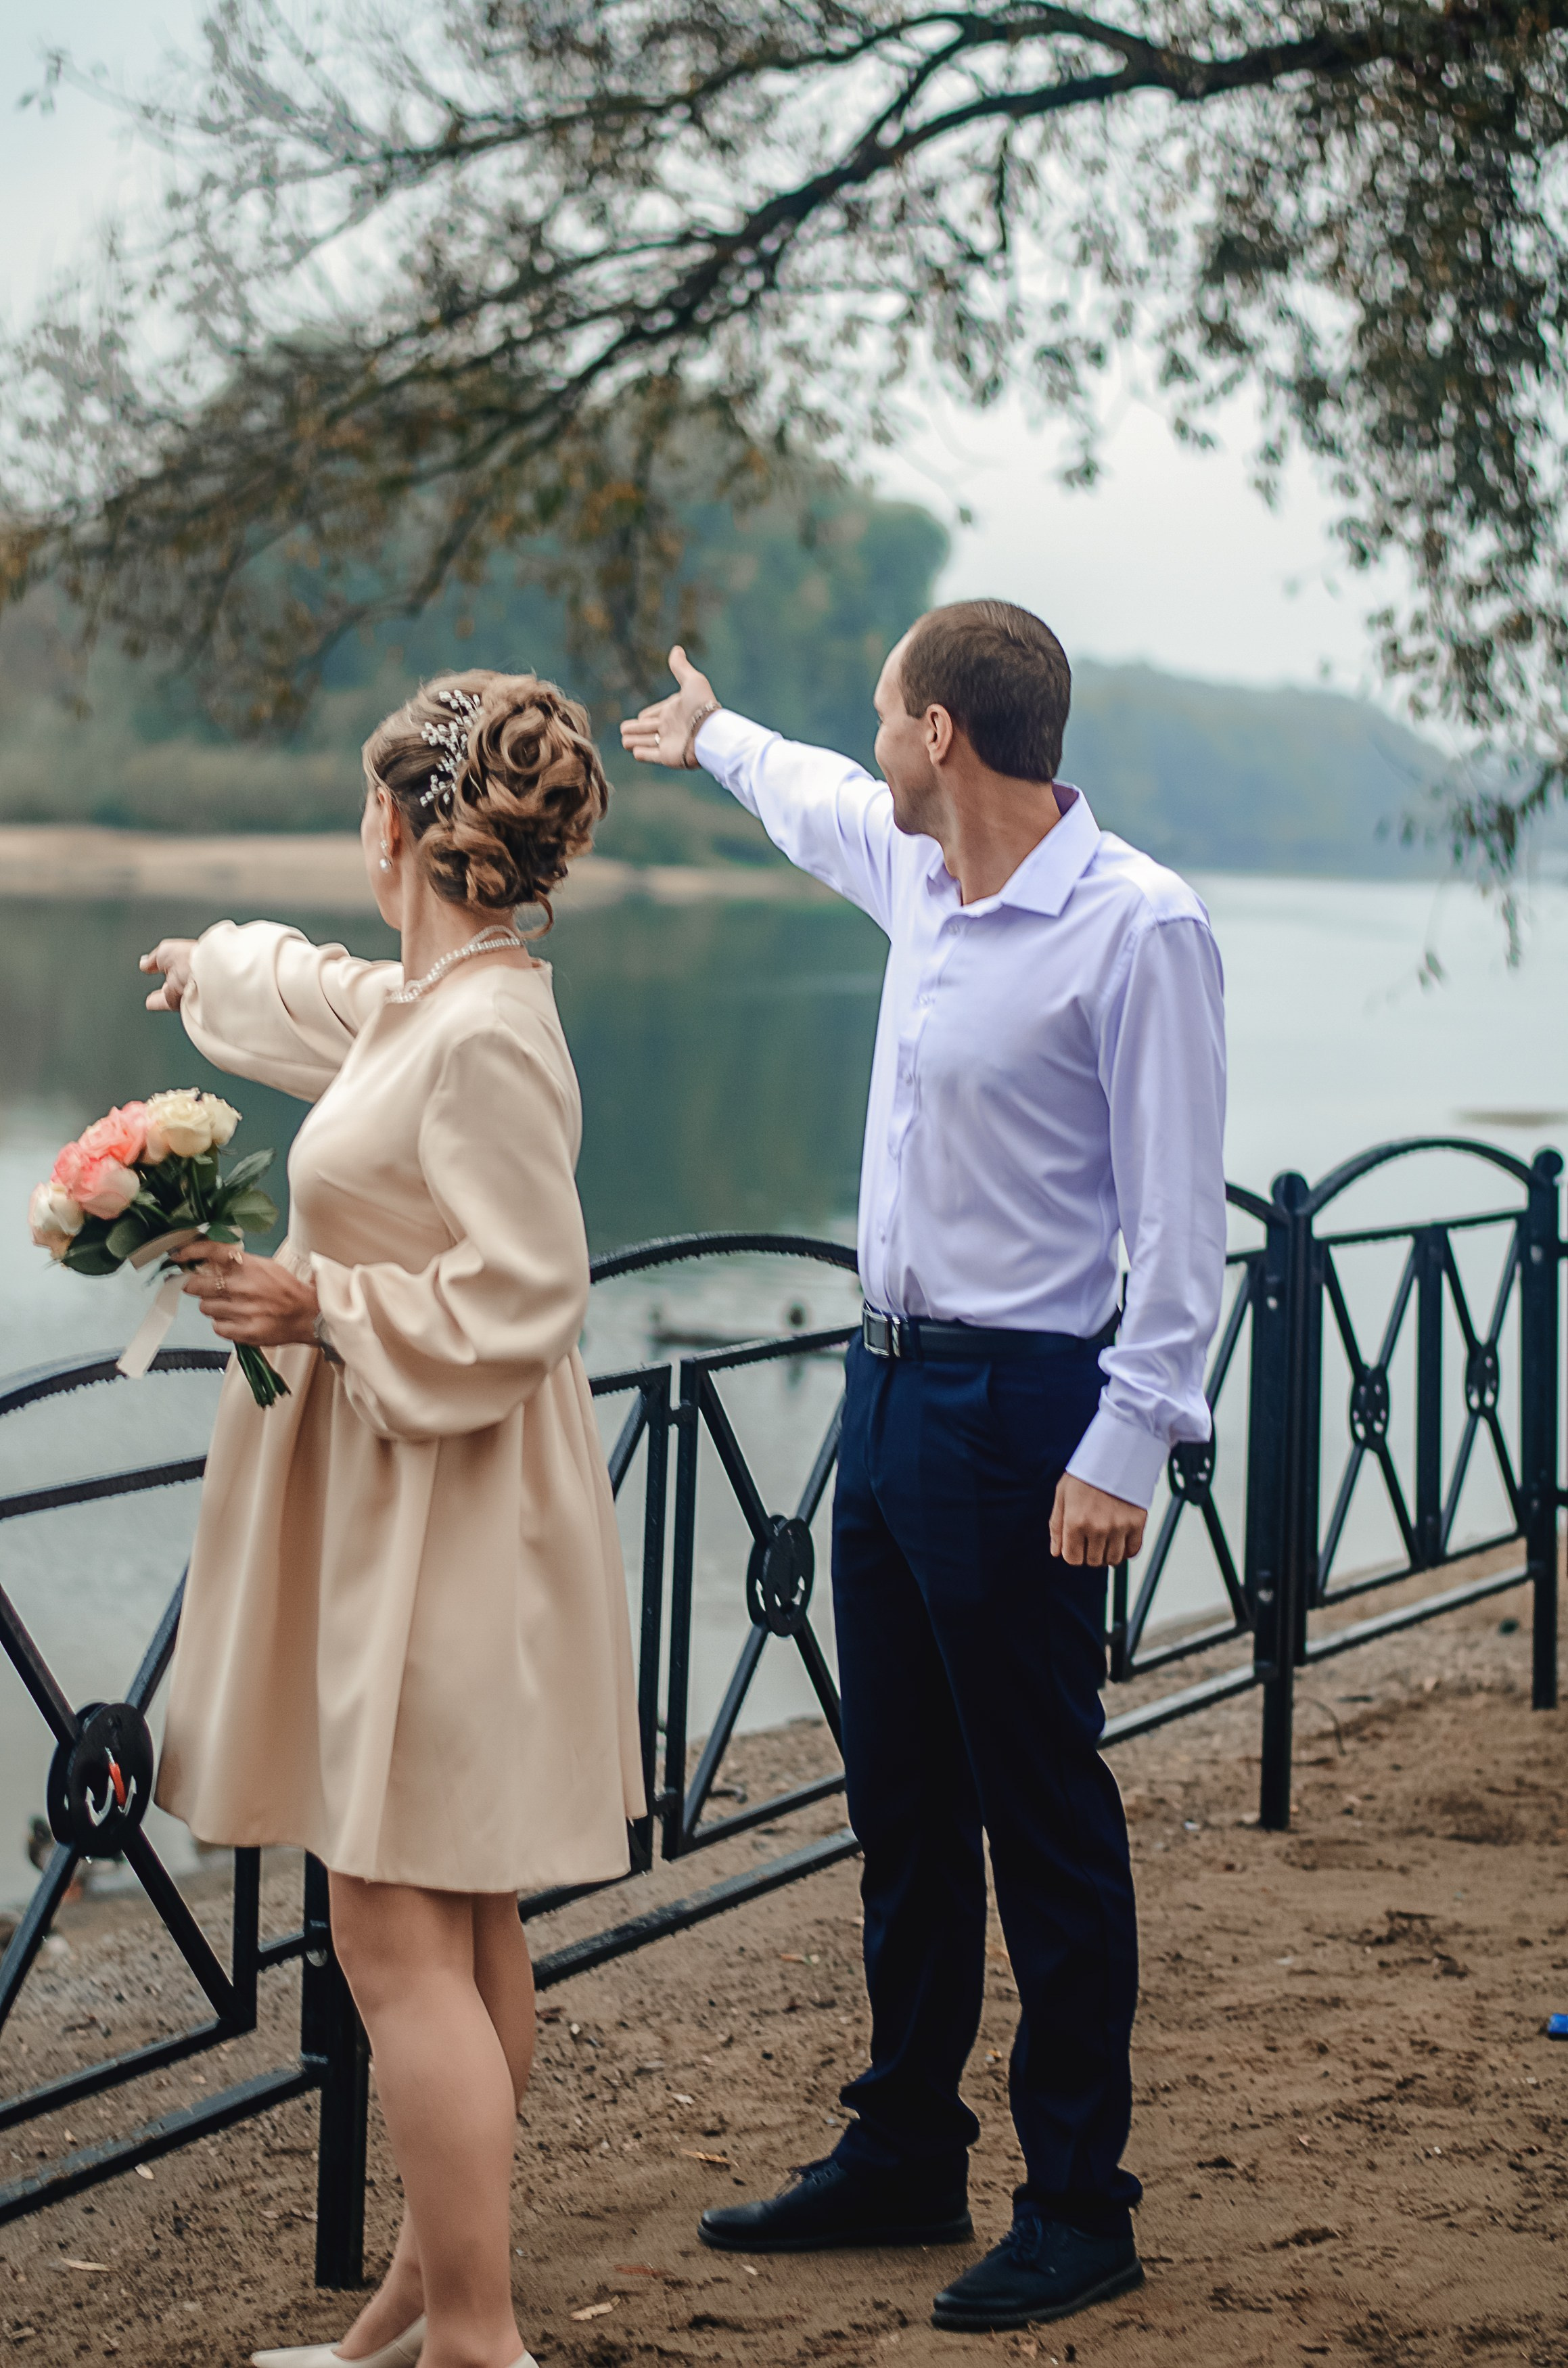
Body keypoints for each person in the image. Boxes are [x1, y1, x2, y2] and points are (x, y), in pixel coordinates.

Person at [620, 603, 1226, 2333]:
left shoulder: (1136, 927)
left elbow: (1183, 1226)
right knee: (898, 1800)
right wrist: (718, 735)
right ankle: (903, 2149)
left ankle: (1077, 2200)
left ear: (943, 736)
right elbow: (814, 796)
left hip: (1026, 1415)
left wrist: (1129, 1437)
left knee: (1040, 1814)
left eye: (884, 714)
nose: (870, 740)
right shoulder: (921, 879)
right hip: (880, 1401)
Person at [141, 670, 644, 2368]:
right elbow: (335, 999)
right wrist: (208, 969)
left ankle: (478, 2340)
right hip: (420, 1497)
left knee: (386, 1920)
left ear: (397, 826)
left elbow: (527, 1291)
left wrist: (316, 1302)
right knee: (465, 1904)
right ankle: (422, 2309)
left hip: (457, 1512)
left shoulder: (489, 1030)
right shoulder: (439, 999)